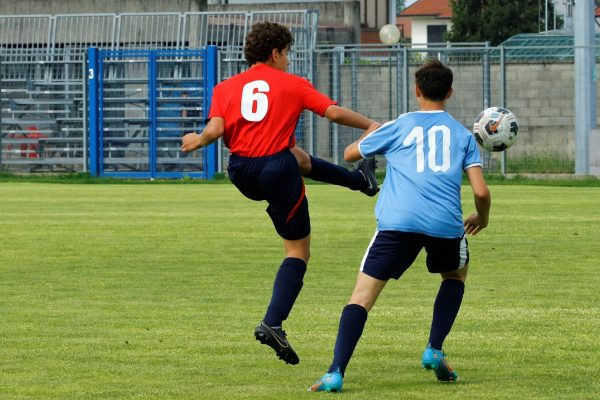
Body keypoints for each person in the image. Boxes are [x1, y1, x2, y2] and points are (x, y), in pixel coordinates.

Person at [181, 21, 379, 365]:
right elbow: (331, 112)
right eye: (287, 53)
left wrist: (198, 140)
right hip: (275, 170)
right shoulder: (292, 84)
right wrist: (372, 126)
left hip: (241, 172)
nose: (289, 60)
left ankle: (361, 182)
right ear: (275, 53)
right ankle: (273, 322)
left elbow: (216, 128)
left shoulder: (226, 87)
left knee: (298, 157)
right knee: (297, 252)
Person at [308, 59, 491, 392]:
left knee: (361, 298)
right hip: (445, 225)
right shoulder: (464, 136)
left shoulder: (399, 125)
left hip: (397, 223)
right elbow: (480, 191)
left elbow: (350, 155)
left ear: (416, 90)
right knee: (455, 274)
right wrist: (482, 217)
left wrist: (370, 133)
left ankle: (335, 372)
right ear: (449, 92)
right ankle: (434, 349)